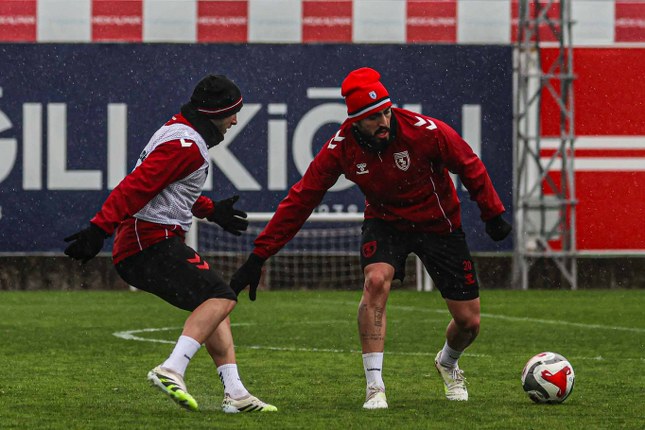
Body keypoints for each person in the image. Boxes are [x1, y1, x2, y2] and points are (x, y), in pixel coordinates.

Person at [230, 67, 511, 409]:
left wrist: (492, 212)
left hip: (438, 224)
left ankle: (447, 362)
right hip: (385, 223)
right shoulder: (340, 148)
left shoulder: (425, 131)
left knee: (469, 322)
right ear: (355, 122)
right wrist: (259, 255)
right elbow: (301, 200)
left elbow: (469, 164)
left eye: (386, 112)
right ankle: (375, 387)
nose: (383, 122)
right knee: (376, 280)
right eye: (373, 117)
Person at [63, 74, 277, 414]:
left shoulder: (179, 133)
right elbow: (136, 186)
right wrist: (99, 228)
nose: (235, 121)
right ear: (212, 113)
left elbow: (168, 188)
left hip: (147, 242)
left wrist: (211, 210)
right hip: (148, 242)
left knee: (215, 304)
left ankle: (235, 393)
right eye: (231, 113)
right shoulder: (186, 145)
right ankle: (172, 369)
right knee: (221, 297)